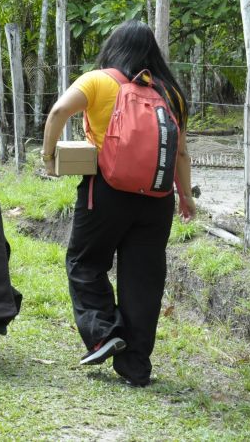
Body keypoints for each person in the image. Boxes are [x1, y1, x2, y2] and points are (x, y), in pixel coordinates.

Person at [41, 20, 196, 387]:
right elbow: (183, 154)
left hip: (106, 190)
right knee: (143, 280)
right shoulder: (171, 93)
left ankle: (103, 331)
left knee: (85, 262)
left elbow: (58, 111)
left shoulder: (99, 81)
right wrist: (185, 197)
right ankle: (136, 367)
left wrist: (49, 158)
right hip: (157, 197)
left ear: (114, 48)